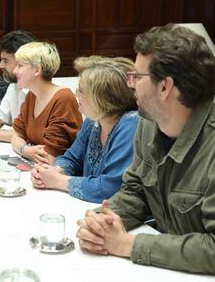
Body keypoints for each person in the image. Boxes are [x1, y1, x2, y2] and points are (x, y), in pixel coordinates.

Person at [76, 24, 215, 274]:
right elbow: (137, 191)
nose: (130, 84)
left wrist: (129, 244)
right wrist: (104, 221)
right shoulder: (149, 124)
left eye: (136, 77)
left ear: (165, 87)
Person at [31, 57, 139, 203]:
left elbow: (111, 188)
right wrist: (54, 171)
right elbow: (71, 158)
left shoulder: (131, 125)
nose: (76, 95)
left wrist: (58, 181)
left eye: (81, 91)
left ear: (102, 98)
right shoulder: (94, 121)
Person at [11, 42, 83, 164]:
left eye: (20, 65)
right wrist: (26, 150)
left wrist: (25, 149)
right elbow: (16, 135)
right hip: (39, 168)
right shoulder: (31, 96)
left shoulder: (63, 98)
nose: (14, 71)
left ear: (37, 70)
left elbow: (50, 157)